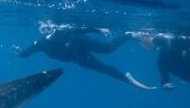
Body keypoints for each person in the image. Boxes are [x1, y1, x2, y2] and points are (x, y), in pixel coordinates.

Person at [13, 24, 153, 89]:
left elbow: (78, 29)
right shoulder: (41, 43)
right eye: (43, 29)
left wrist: (98, 29)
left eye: (48, 27)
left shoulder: (61, 31)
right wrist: (19, 52)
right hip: (78, 57)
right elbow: (27, 53)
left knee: (108, 49)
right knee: (103, 68)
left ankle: (130, 35)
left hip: (82, 42)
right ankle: (126, 80)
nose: (47, 30)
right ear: (41, 32)